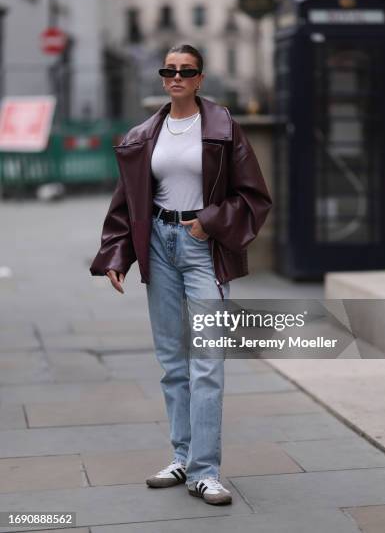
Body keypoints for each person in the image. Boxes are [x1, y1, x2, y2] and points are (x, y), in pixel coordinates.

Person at [89, 44, 272, 505]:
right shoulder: (144, 134)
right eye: (168, 70)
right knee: (173, 362)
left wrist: (208, 222)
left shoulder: (223, 129)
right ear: (162, 77)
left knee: (206, 362)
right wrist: (117, 255)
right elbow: (126, 203)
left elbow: (254, 196)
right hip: (159, 245)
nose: (176, 77)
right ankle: (182, 457)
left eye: (186, 71)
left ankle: (206, 472)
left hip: (201, 246)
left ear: (200, 78)